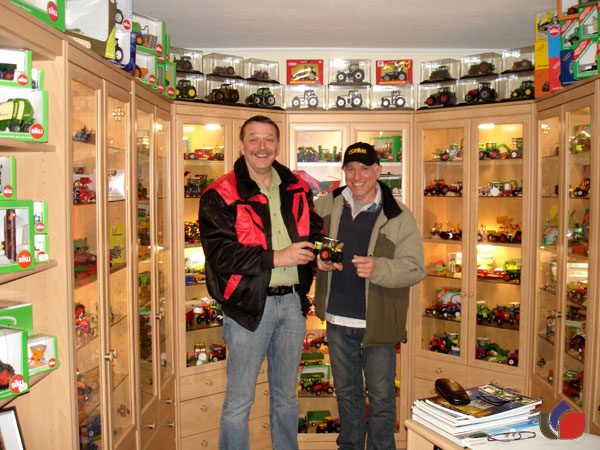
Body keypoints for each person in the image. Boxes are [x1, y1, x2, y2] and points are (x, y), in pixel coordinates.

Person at [198, 115, 324, 450]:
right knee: (239, 402)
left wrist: (321, 255)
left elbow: (313, 231)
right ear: (241, 145)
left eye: (269, 139)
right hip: (247, 307)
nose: (262, 146)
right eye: (253, 139)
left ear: (278, 145)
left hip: (293, 305)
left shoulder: (296, 187)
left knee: (287, 398)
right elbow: (221, 255)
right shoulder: (220, 193)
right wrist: (276, 257)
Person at [313, 142, 426, 450]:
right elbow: (308, 241)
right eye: (350, 169)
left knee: (382, 399)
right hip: (337, 320)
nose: (357, 175)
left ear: (378, 171)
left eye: (364, 169)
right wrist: (319, 260)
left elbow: (415, 268)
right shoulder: (326, 205)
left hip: (378, 324)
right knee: (346, 395)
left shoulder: (398, 215)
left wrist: (379, 267)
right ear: (344, 172)